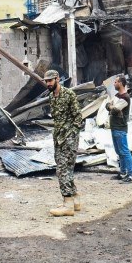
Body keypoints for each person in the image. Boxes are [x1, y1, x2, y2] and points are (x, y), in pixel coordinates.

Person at [45, 70, 83, 217]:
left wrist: (71, 134)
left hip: (69, 138)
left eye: (50, 80)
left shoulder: (69, 94)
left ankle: (68, 205)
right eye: (46, 81)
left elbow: (78, 117)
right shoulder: (51, 97)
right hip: (58, 137)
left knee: (63, 169)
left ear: (57, 79)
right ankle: (74, 199)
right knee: (63, 168)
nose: (48, 83)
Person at [107, 75, 132, 183]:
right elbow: (107, 105)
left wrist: (111, 107)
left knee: (124, 151)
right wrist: (111, 106)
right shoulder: (117, 95)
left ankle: (131, 175)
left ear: (121, 84)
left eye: (116, 82)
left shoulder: (125, 97)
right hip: (114, 127)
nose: (114, 84)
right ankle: (123, 173)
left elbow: (115, 110)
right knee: (119, 151)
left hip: (120, 127)